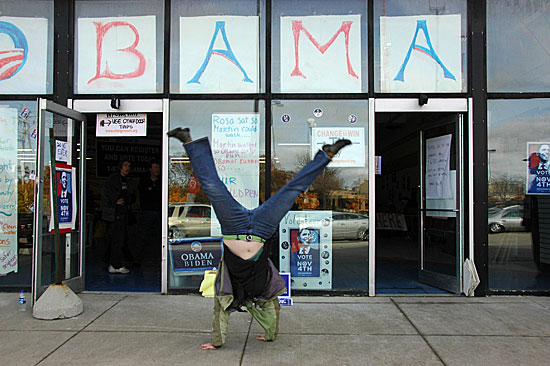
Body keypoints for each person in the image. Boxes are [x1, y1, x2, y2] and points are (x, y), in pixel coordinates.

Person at [168, 127, 351, 350]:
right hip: (262, 229)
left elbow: (220, 313)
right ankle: (326, 155)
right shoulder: (265, 287)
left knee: (213, 186)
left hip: (233, 226)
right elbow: (273, 309)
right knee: (292, 190)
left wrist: (216, 342)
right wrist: (271, 335)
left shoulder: (227, 290)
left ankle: (188, 140)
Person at [102, 160, 133, 274]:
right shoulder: (113, 179)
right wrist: (115, 201)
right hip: (114, 214)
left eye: (129, 166)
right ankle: (115, 264)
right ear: (120, 167)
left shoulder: (126, 180)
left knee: (120, 239)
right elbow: (105, 193)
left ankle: (111, 261)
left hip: (123, 213)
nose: (127, 168)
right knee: (116, 239)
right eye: (125, 165)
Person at [136, 159, 162, 264]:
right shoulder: (144, 181)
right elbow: (143, 195)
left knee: (160, 237)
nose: (157, 170)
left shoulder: (162, 180)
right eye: (155, 167)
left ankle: (161, 260)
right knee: (142, 236)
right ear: (150, 169)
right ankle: (138, 260)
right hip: (147, 212)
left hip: (160, 212)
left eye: (158, 167)